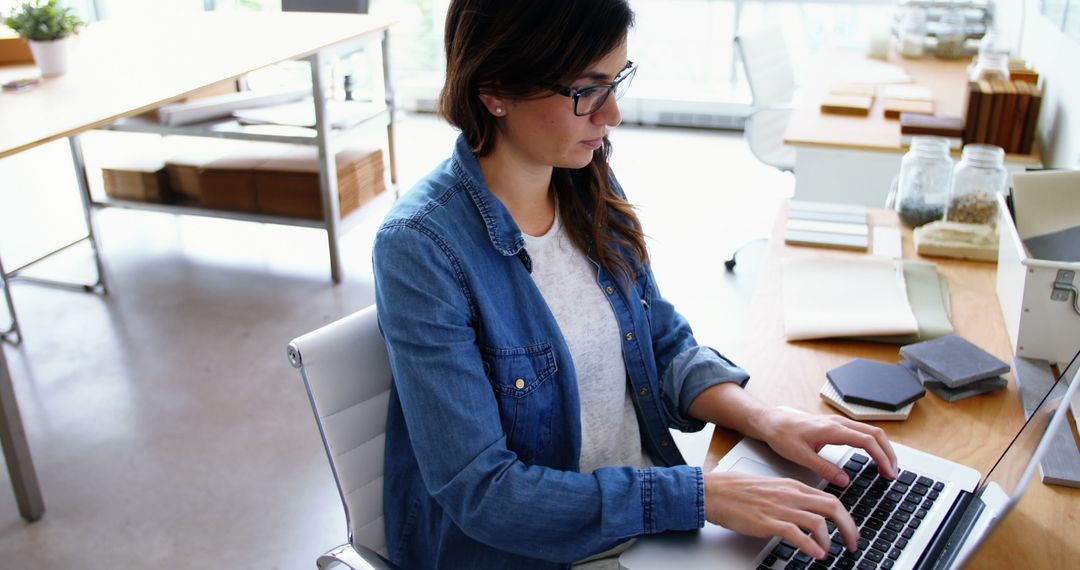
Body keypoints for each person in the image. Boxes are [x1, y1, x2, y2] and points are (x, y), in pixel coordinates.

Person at [371, 1, 898, 567]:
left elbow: (660, 342)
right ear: (495, 88)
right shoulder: (420, 248)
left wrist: (767, 419)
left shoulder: (582, 179)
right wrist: (701, 495)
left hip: (647, 530)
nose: (613, 114)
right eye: (588, 90)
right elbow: (484, 494)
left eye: (616, 79)